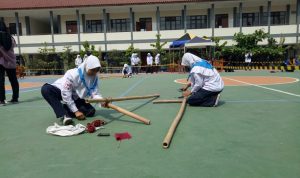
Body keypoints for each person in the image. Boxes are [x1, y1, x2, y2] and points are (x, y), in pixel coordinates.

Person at [41, 55, 105, 125]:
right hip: (60, 90)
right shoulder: (72, 74)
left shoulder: (94, 77)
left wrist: (102, 101)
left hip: (75, 96)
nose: (94, 72)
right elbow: (66, 93)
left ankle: (65, 108)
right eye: (93, 70)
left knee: (90, 111)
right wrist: (76, 111)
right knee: (46, 89)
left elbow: (94, 93)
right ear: (87, 66)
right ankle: (64, 115)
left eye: (97, 70)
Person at [0, 21, 19, 106]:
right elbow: (14, 46)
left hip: (1, 61)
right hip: (11, 61)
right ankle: (15, 98)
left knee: (1, 81)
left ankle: (2, 100)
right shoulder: (11, 37)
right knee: (13, 80)